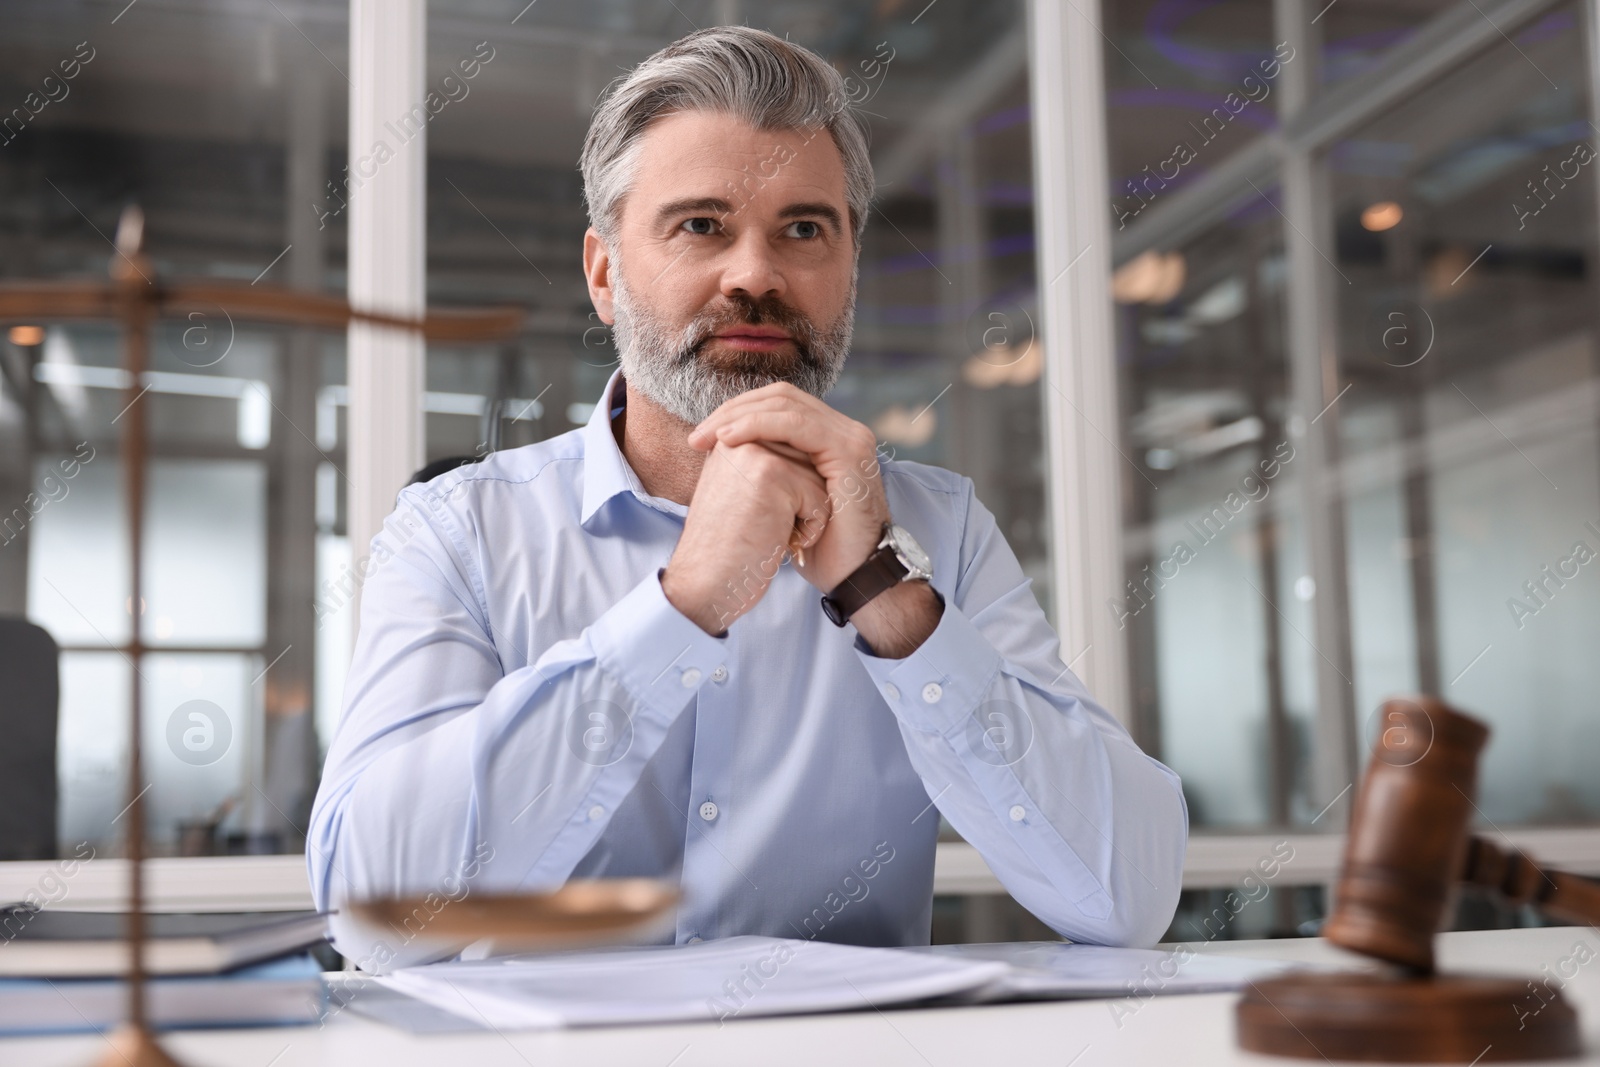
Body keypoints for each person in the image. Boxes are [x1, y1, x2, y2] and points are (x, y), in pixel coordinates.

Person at [308, 25, 1186, 972]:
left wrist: (884, 596)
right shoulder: (463, 530)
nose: (756, 274)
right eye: (702, 225)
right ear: (606, 275)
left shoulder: (943, 533)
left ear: (848, 266)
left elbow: (1126, 898)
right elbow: (375, 914)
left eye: (804, 229)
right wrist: (683, 605)